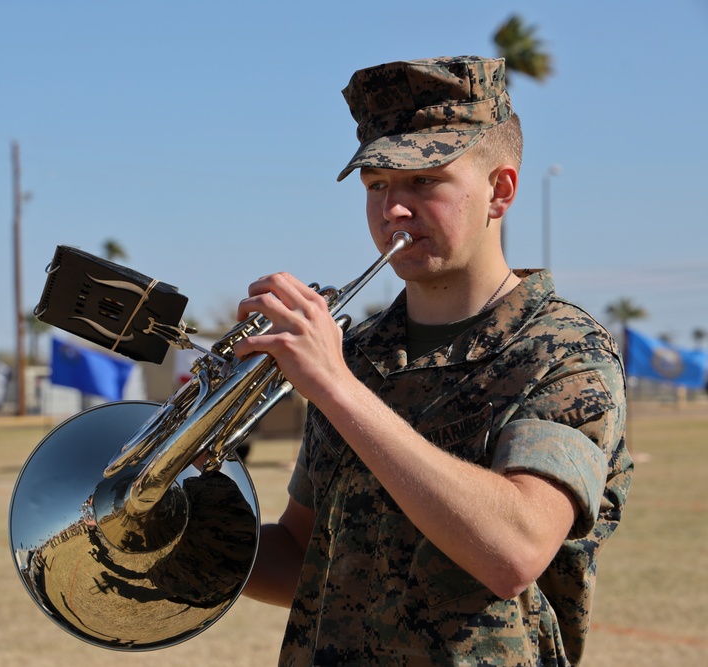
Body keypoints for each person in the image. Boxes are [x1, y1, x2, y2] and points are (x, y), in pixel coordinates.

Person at [235, 55, 633, 666]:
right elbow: (304, 555)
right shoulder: (359, 352)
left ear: (500, 191)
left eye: (424, 180)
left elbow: (512, 553)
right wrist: (178, 536)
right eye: (376, 186)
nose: (393, 208)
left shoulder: (564, 350)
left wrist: (336, 387)